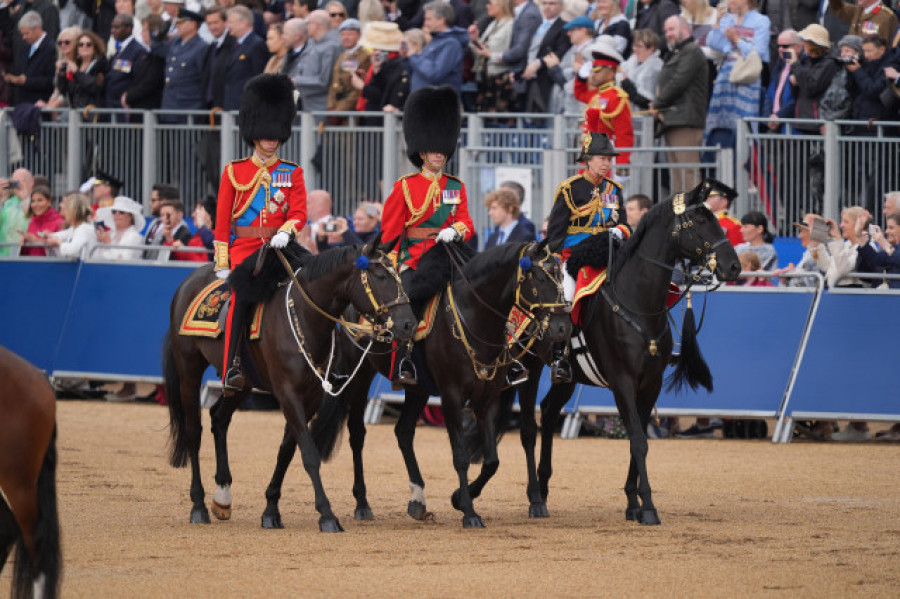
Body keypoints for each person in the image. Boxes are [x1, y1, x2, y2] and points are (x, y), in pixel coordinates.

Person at [213, 73, 307, 394]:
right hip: (246, 249)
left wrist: (287, 231)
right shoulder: (234, 171)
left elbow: (298, 213)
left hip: (282, 247)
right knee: (241, 297)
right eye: (265, 135)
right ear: (254, 134)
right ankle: (231, 367)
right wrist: (223, 260)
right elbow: (223, 221)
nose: (271, 140)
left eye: (275, 135)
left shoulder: (291, 172)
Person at [380, 85, 474, 385]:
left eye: (443, 149)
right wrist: (395, 263)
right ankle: (403, 361)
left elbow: (467, 223)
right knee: (406, 305)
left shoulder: (455, 186)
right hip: (414, 259)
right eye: (434, 150)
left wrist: (454, 230)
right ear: (421, 152)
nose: (439, 154)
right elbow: (391, 232)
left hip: (449, 255)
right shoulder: (405, 186)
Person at [704, 0, 770, 155]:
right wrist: (718, 21)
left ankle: (745, 165)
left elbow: (758, 52)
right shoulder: (728, 19)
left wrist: (737, 40)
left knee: (744, 124)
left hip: (747, 77)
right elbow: (713, 43)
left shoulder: (761, 21)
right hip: (725, 76)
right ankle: (719, 162)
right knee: (719, 123)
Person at [653, 16, 708, 193]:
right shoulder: (679, 52)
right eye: (666, 30)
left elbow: (679, 81)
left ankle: (694, 216)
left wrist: (658, 103)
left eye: (672, 29)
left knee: (688, 172)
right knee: (677, 174)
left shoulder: (692, 51)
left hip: (685, 121)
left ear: (685, 29)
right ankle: (681, 216)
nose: (667, 34)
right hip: (674, 120)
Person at [574, 40, 634, 177]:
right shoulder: (597, 95)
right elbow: (579, 94)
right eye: (593, 70)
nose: (593, 74)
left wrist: (622, 166)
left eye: (598, 70)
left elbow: (624, 135)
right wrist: (580, 77)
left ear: (611, 72)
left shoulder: (617, 97)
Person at [288, 9, 342, 120]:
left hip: (322, 107)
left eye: (308, 23)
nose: (306, 27)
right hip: (307, 104)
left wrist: (297, 81)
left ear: (317, 25)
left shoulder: (332, 46)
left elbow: (325, 80)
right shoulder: (312, 43)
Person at [519, 0, 571, 114]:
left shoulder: (564, 28)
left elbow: (559, 52)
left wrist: (538, 63)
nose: (547, 7)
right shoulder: (536, 25)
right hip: (528, 80)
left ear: (561, 7)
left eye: (552, 3)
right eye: (545, 3)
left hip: (546, 80)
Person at [404, 1, 467, 95]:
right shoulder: (433, 41)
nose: (425, 23)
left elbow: (434, 73)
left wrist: (414, 56)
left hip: (438, 103)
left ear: (441, 20)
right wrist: (405, 57)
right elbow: (415, 72)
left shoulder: (451, 44)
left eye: (429, 19)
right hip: (421, 101)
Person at [468, 0, 516, 114]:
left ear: (501, 5)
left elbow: (508, 53)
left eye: (490, 3)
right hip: (486, 78)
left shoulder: (510, 25)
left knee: (498, 120)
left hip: (500, 80)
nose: (487, 6)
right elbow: (481, 51)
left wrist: (489, 54)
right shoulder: (492, 24)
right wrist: (474, 40)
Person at [543, 15, 594, 115]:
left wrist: (555, 69)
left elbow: (574, 84)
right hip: (566, 106)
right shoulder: (573, 49)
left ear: (583, 30)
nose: (568, 33)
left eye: (572, 30)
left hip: (579, 109)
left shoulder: (592, 52)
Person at [4, 11, 57, 106]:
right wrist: (12, 78)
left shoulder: (51, 48)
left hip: (41, 104)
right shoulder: (25, 47)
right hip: (23, 104)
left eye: (26, 34)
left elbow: (52, 80)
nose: (24, 37)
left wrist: (27, 81)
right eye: (22, 34)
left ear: (37, 29)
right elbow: (21, 72)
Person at [222, 5, 269, 111]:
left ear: (244, 22)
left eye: (230, 22)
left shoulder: (257, 44)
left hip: (248, 107)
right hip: (232, 105)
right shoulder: (234, 44)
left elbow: (259, 77)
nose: (227, 26)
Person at [326, 18, 371, 124]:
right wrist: (331, 106)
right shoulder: (343, 55)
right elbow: (334, 83)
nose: (345, 38)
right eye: (343, 34)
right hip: (336, 108)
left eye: (350, 34)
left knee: (350, 139)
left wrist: (340, 110)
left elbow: (358, 88)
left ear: (359, 35)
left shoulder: (364, 56)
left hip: (351, 110)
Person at [57, 30, 108, 110]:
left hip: (92, 113)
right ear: (77, 48)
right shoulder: (75, 65)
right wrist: (61, 75)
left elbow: (95, 87)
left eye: (88, 45)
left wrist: (77, 72)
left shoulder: (101, 65)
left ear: (94, 48)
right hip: (75, 112)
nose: (84, 47)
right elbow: (64, 90)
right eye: (81, 45)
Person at [772, 214, 827, 287]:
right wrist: (785, 279)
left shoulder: (818, 254)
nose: (799, 236)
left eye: (803, 231)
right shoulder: (809, 253)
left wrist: (790, 277)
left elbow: (804, 286)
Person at [619, 28, 662, 110]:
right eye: (634, 45)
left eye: (639, 46)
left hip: (644, 117)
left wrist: (626, 83)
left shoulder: (655, 67)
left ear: (651, 49)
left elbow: (645, 100)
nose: (635, 49)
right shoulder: (632, 61)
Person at [45, 191, 97, 258]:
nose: (61, 206)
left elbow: (71, 250)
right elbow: (63, 234)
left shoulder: (84, 229)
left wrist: (58, 243)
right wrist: (49, 236)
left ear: (73, 210)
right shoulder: (75, 228)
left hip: (87, 267)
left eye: (67, 207)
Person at [827, 0, 897, 47]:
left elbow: (888, 47)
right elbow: (839, 8)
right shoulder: (858, 10)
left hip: (872, 65)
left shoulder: (886, 17)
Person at [94, 195, 145, 260]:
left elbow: (124, 260)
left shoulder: (134, 236)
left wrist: (108, 242)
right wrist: (100, 242)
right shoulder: (111, 234)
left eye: (121, 212)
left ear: (130, 216)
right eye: (114, 211)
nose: (117, 214)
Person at [20, 185, 64, 256]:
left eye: (40, 200)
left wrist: (36, 241)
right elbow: (27, 253)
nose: (36, 204)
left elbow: (59, 251)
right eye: (33, 201)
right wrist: (25, 242)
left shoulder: (59, 222)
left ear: (49, 202)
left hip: (51, 265)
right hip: (31, 264)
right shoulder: (32, 222)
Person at [174, 196, 216, 262]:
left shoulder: (215, 237)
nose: (192, 215)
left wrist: (185, 251)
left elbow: (203, 264)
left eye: (197, 213)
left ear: (208, 215)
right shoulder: (196, 236)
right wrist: (170, 240)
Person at [0, 171, 31, 257]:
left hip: (26, 253)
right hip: (4, 253)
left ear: (31, 182)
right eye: (15, 181)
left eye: (23, 180)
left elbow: (35, 219)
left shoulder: (36, 201)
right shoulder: (8, 203)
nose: (18, 184)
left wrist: (26, 199)